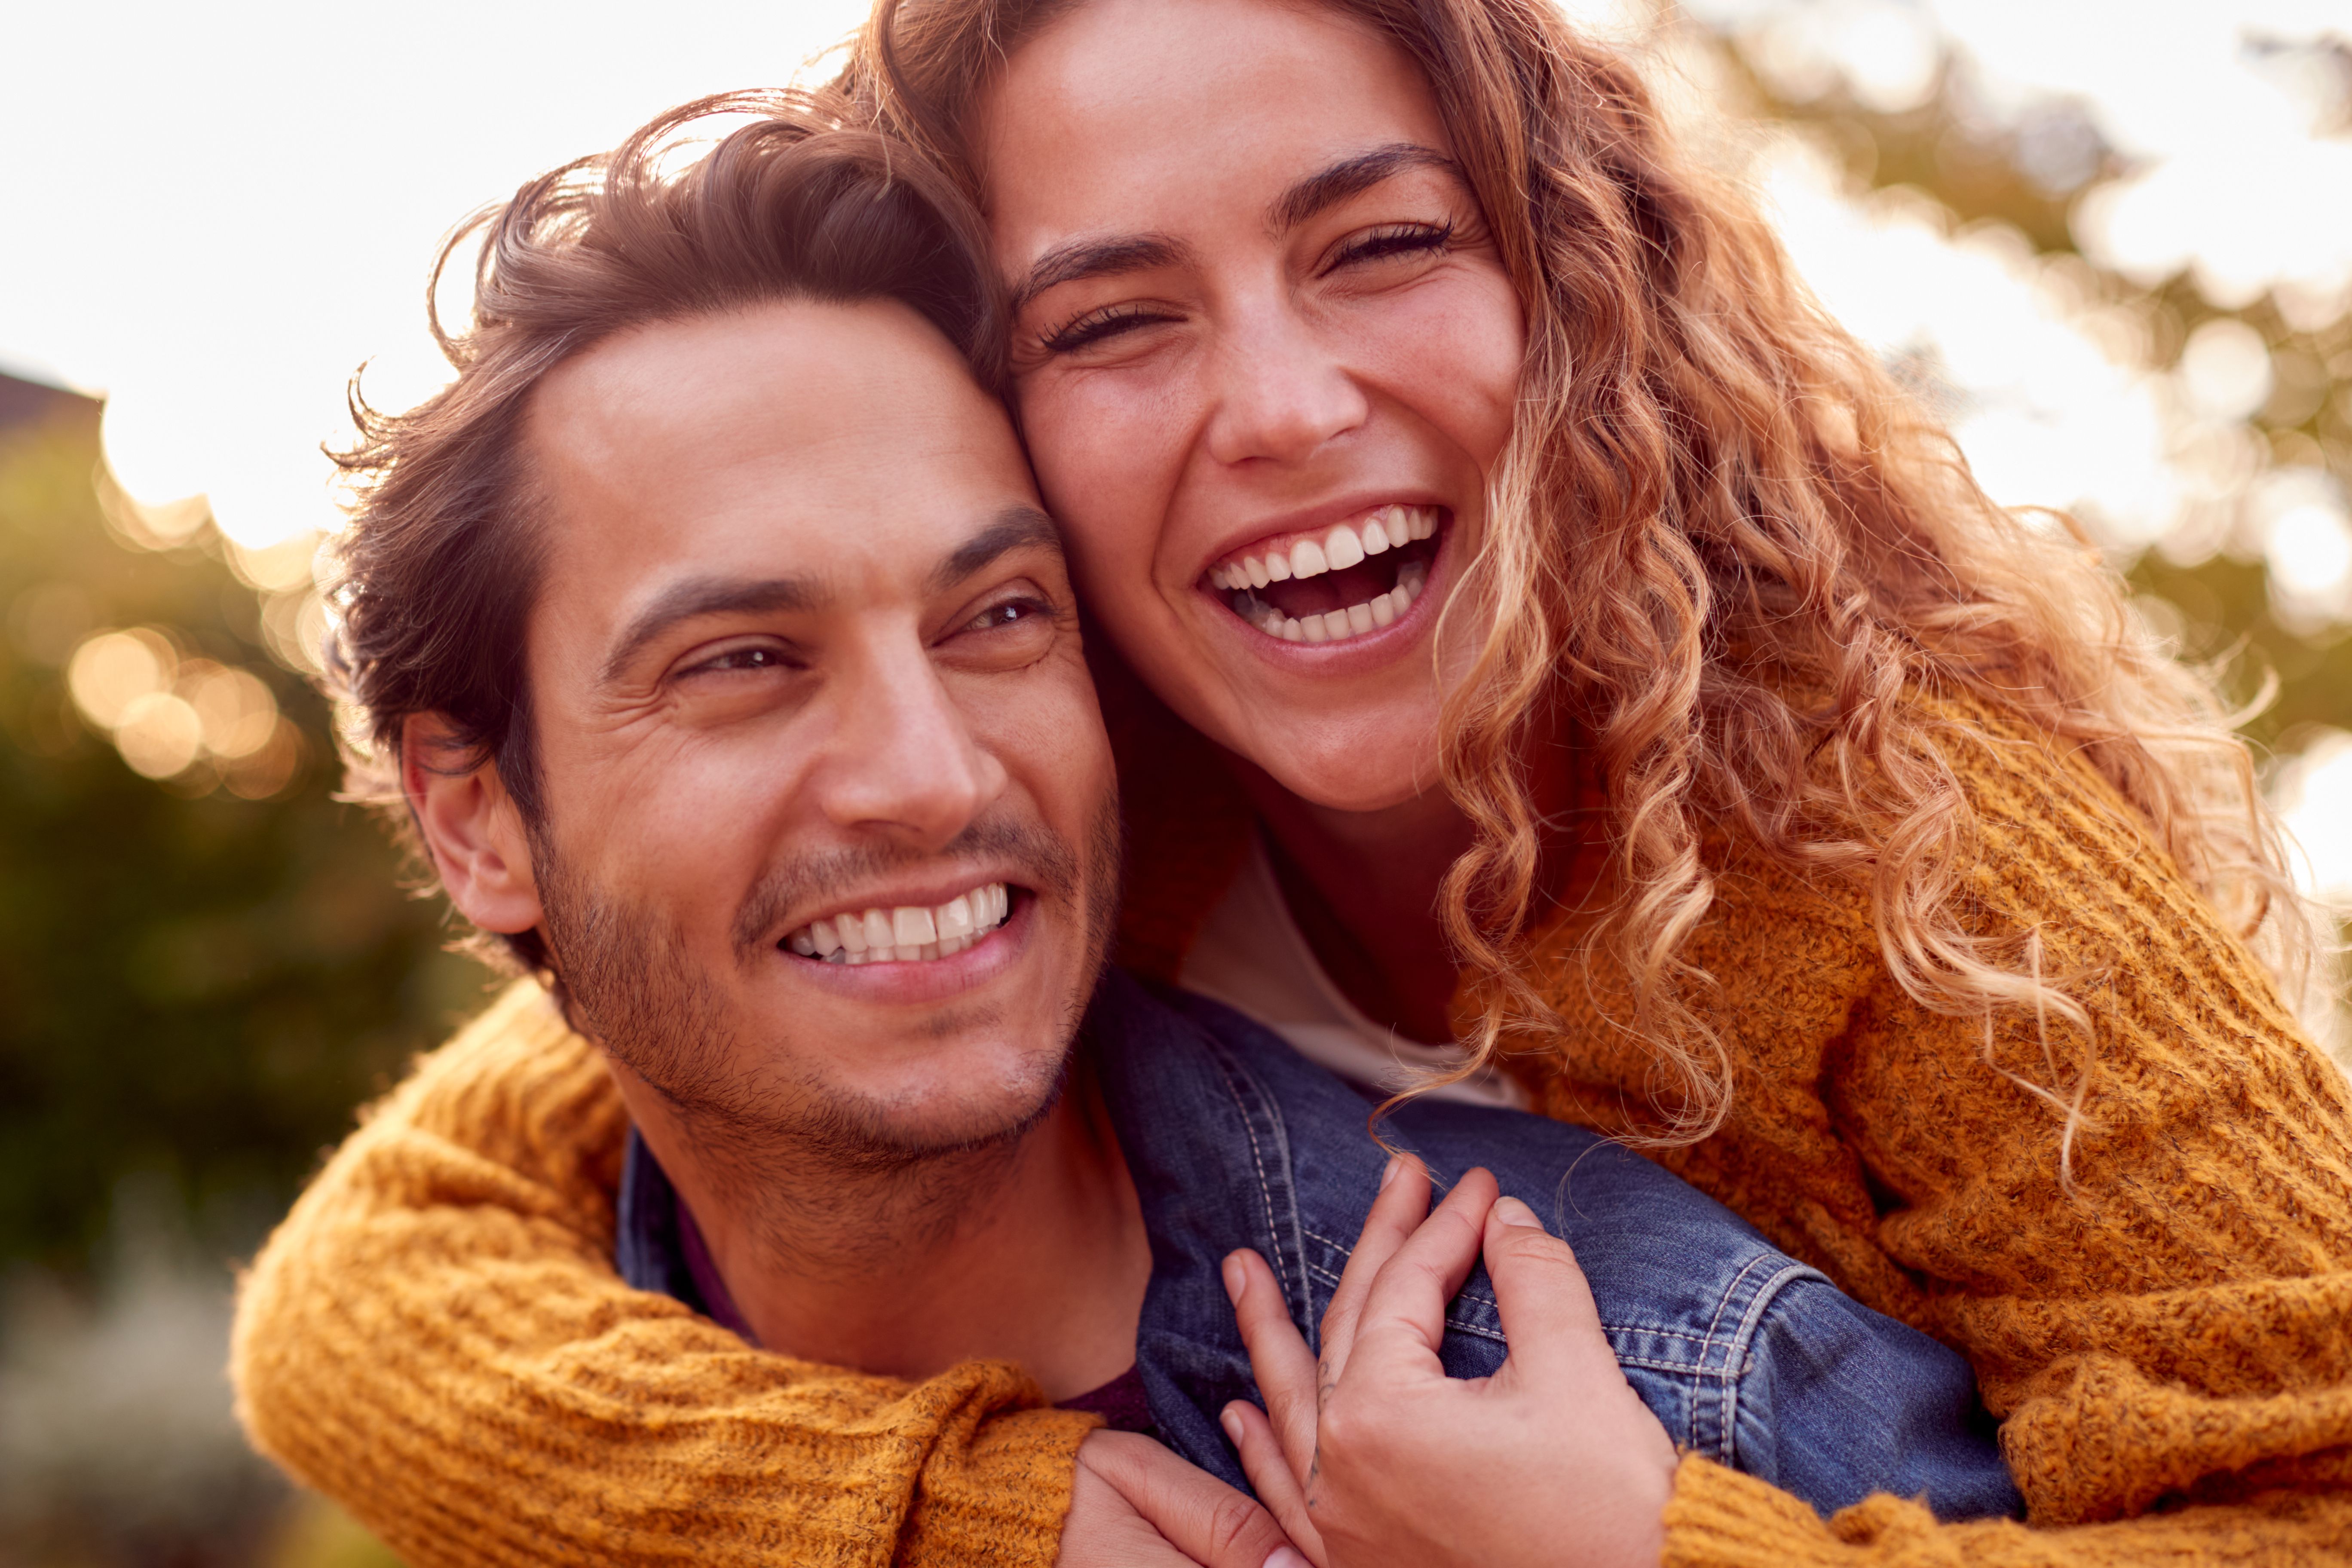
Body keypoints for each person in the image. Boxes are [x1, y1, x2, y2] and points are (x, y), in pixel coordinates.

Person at [236, 0, 2352, 1561]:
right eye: (1114, 322)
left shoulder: (1894, 835)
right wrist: (973, 1515)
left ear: (1569, 287)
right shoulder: (1053, 787)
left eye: (1379, 247)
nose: (1279, 405)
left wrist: (1639, 1555)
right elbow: (367, 1291)